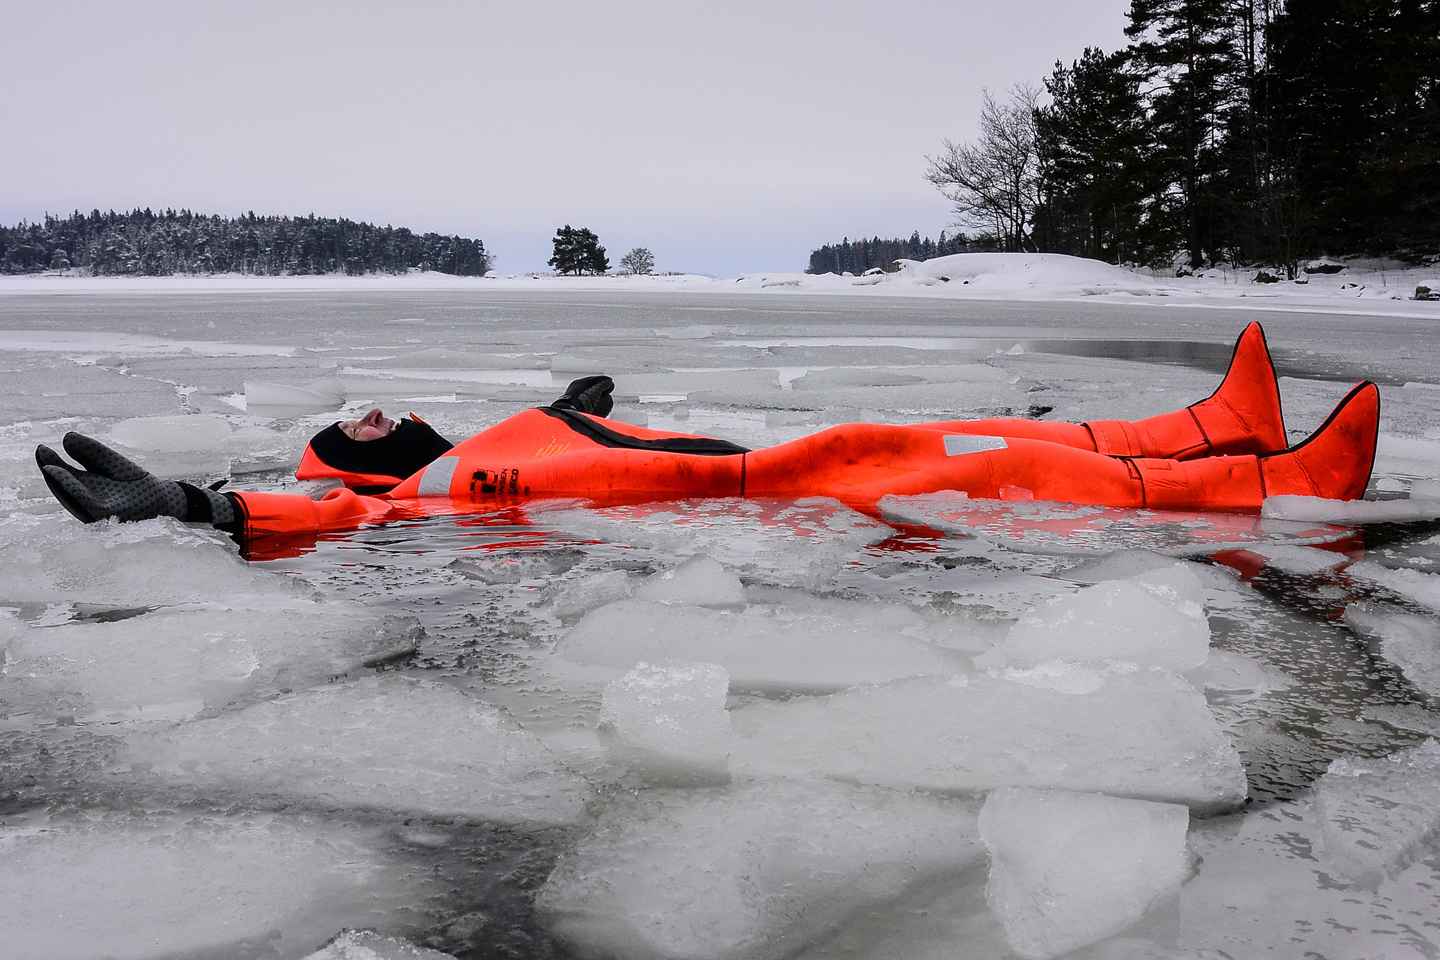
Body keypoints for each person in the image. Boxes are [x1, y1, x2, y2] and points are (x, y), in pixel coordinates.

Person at [35, 322, 1379, 554]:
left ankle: (1209, 428)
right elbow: (342, 515)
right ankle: (1253, 484)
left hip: (767, 461)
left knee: (946, 428)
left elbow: (579, 427)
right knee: (988, 464)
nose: (377, 412)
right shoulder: (430, 494)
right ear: (358, 459)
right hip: (764, 496)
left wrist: (580, 404)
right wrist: (213, 509)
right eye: (360, 425)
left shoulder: (501, 432)